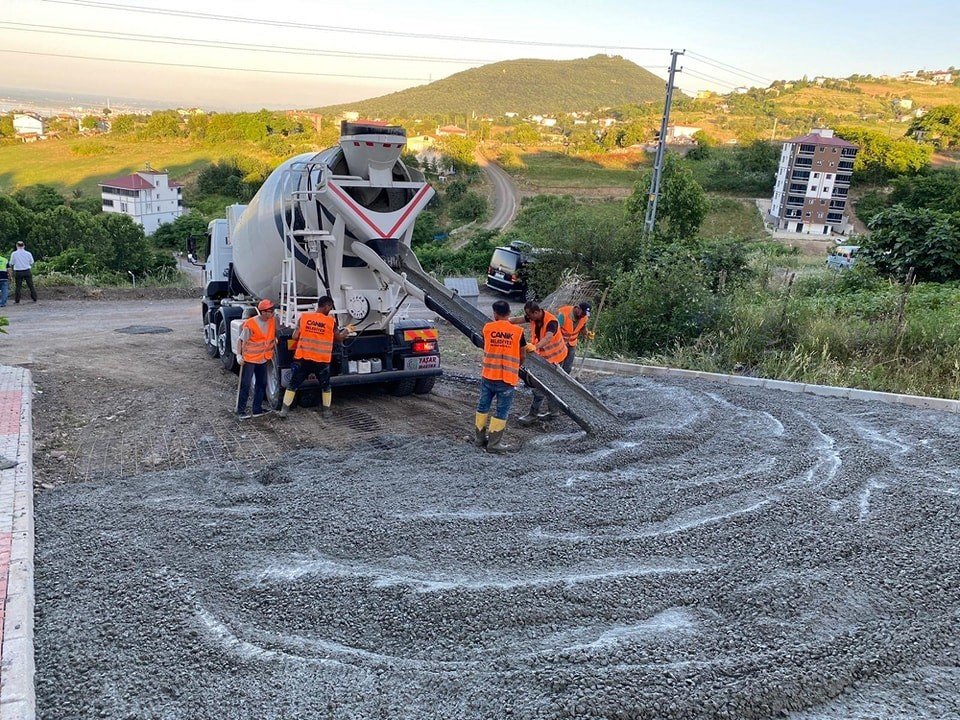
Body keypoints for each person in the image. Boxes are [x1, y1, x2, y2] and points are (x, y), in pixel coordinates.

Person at [279, 296, 353, 419]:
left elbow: (295, 336)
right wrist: (347, 330)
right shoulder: (330, 322)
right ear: (327, 306)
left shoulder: (304, 318)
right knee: (325, 386)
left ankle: (284, 411)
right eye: (330, 307)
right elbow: (339, 338)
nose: (330, 310)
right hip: (322, 361)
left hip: (304, 359)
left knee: (293, 385)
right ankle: (326, 412)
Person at [472, 299, 527, 453]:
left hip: (489, 376)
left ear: (495, 314)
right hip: (507, 379)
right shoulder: (518, 332)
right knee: (501, 411)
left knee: (483, 407)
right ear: (509, 313)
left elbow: (486, 344)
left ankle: (479, 439)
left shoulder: (487, 328)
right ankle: (494, 444)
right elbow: (522, 355)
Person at [511, 300, 567, 424]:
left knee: (540, 387)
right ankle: (553, 413)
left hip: (555, 358)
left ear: (536, 312)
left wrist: (535, 347)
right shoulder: (534, 317)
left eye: (530, 315)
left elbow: (547, 337)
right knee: (550, 386)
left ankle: (533, 414)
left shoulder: (551, 322)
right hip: (544, 357)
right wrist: (504, 321)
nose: (528, 318)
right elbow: (518, 319)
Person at [236, 299, 278, 419]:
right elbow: (241, 340)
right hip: (250, 359)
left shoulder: (272, 321)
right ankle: (241, 410)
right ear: (263, 312)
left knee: (262, 383)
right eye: (270, 311)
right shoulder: (251, 324)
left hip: (263, 358)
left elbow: (271, 335)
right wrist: (239, 355)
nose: (272, 313)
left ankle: (257, 409)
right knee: (246, 384)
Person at [556, 302, 594, 374]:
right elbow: (556, 329)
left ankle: (565, 378)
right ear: (578, 308)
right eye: (583, 313)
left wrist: (587, 333)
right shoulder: (563, 314)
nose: (583, 316)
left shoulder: (584, 317)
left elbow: (582, 328)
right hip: (560, 342)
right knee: (558, 362)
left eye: (585, 314)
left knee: (568, 365)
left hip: (572, 343)